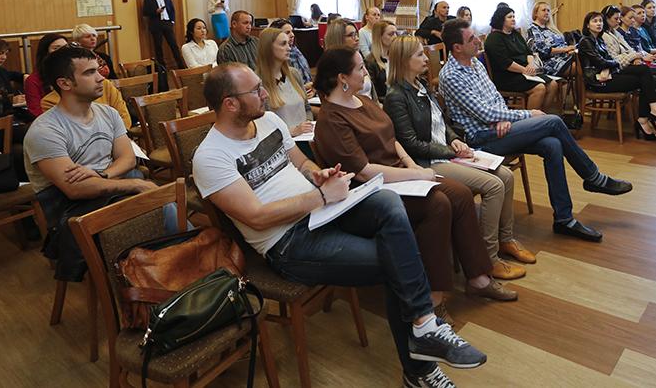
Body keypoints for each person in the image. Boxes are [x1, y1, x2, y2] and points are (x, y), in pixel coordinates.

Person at [192, 63, 487, 387]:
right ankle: (420, 366)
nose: (265, 94)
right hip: (288, 242)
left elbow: (301, 162)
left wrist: (317, 175)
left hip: (321, 210)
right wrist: (320, 195)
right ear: (230, 103)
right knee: (395, 260)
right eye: (256, 90)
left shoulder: (268, 121)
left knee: (388, 202)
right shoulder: (210, 156)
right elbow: (256, 216)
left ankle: (424, 326)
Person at [313, 47, 517, 324]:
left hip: (398, 176)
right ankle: (432, 299)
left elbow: (392, 139)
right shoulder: (331, 118)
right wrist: (414, 175)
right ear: (342, 78)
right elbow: (364, 171)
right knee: (438, 205)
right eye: (360, 68)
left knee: (460, 195)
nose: (366, 72)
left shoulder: (363, 101)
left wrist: (413, 167)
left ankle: (479, 278)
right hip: (370, 192)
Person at [438, 19, 633, 242]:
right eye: (471, 38)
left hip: (498, 129)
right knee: (553, 122)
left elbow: (495, 98)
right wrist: (526, 114)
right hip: (480, 140)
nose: (477, 41)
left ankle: (564, 219)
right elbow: (484, 113)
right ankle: (594, 178)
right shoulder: (451, 75)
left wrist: (503, 117)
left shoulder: (475, 63)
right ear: (457, 47)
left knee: (553, 144)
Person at [384, 36, 535, 280]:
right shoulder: (396, 96)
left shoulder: (420, 85)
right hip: (429, 162)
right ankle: (489, 258)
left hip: (445, 153)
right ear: (404, 60)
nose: (426, 59)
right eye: (419, 55)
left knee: (506, 176)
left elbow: (441, 122)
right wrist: (450, 151)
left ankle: (506, 240)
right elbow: (411, 144)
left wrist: (453, 138)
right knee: (494, 186)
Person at [23, 45, 167, 282]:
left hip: (110, 194)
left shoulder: (108, 113)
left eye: (97, 70)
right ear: (65, 83)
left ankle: (176, 272)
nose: (101, 78)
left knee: (164, 204)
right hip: (74, 213)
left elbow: (128, 158)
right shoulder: (45, 131)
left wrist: (101, 175)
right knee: (159, 205)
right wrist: (135, 185)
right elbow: (75, 189)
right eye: (90, 73)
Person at [577, 12, 656, 141]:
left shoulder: (599, 39)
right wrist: (616, 63)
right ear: (587, 25)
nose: (599, 23)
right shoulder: (586, 41)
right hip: (598, 82)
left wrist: (615, 63)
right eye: (595, 21)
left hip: (609, 74)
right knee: (645, 78)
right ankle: (647, 116)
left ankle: (648, 115)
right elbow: (601, 62)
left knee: (646, 74)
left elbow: (608, 60)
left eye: (600, 21)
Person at [483, 6, 557, 111]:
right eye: (509, 17)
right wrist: (525, 70)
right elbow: (505, 63)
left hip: (525, 72)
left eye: (514, 16)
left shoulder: (515, 34)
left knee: (553, 85)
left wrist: (530, 65)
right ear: (501, 19)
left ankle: (542, 115)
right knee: (539, 88)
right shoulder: (494, 38)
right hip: (507, 76)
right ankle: (531, 119)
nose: (513, 19)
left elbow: (528, 52)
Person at [256, 27, 314, 140]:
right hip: (281, 142)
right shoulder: (258, 82)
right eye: (283, 44)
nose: (289, 48)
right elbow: (261, 124)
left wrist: (307, 124)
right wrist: (292, 131)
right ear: (268, 48)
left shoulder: (294, 74)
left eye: (288, 43)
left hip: (305, 137)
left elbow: (307, 108)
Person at [324, 20, 374, 99]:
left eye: (356, 34)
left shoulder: (357, 57)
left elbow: (371, 91)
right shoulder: (332, 68)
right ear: (338, 39)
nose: (357, 38)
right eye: (351, 35)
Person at [526, 2, 576, 78]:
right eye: (544, 10)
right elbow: (544, 50)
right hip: (551, 63)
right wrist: (565, 49)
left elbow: (563, 44)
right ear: (535, 13)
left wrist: (569, 50)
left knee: (585, 58)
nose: (547, 13)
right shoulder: (533, 29)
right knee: (580, 66)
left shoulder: (551, 29)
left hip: (565, 57)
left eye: (548, 11)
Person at [24, 33, 69, 118]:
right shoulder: (33, 80)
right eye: (56, 48)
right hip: (50, 121)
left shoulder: (74, 74)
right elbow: (36, 112)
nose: (63, 52)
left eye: (66, 48)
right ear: (45, 53)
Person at [141, 0, 184, 69]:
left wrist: (172, 21)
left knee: (173, 45)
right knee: (158, 47)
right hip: (156, 25)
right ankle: (162, 68)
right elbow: (145, 12)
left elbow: (172, 10)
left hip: (167, 23)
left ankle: (181, 66)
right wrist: (156, 12)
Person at [269, 18, 313, 90]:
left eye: (292, 31)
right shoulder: (279, 56)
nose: (292, 35)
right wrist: (306, 87)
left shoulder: (295, 50)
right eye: (287, 32)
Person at [365, 20, 397, 99]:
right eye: (391, 34)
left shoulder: (397, 57)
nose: (395, 37)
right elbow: (373, 92)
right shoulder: (370, 62)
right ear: (379, 36)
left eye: (396, 33)